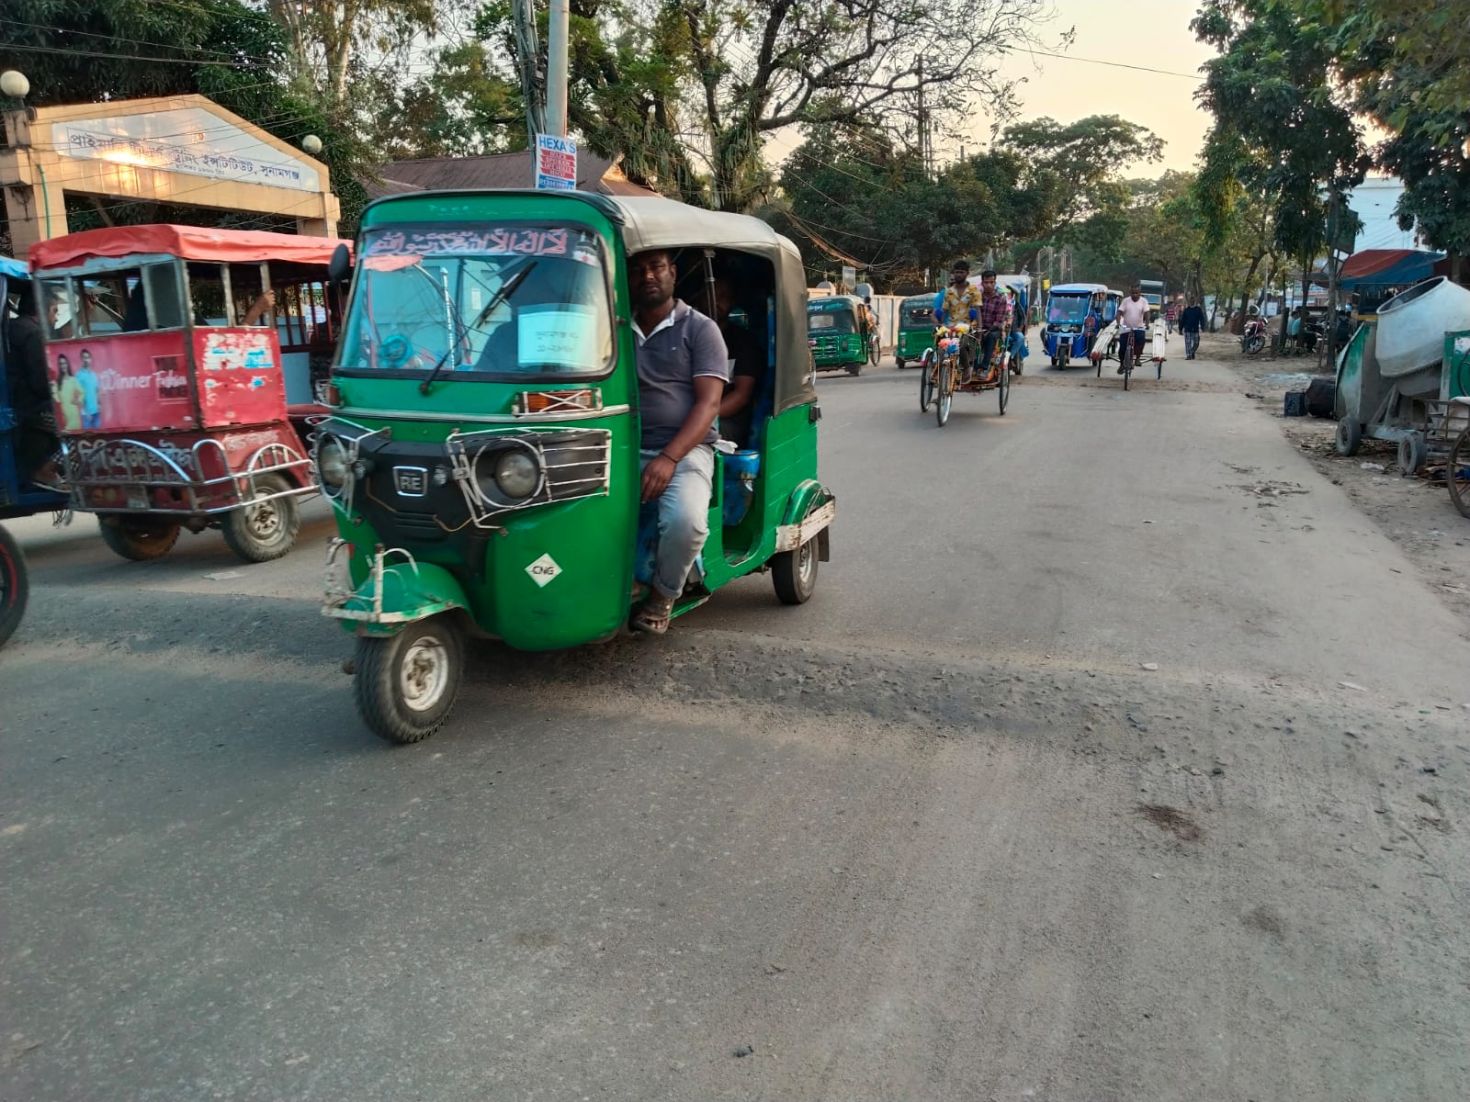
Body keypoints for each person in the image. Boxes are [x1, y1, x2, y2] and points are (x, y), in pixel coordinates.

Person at [628, 249, 729, 635]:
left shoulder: (700, 330)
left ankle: (662, 595)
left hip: (686, 450)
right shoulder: (616, 329)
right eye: (638, 270)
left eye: (655, 267)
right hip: (621, 449)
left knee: (686, 522)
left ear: (672, 273)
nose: (647, 276)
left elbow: (709, 405)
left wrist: (668, 458)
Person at [3, 282, 61, 485]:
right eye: (55, 311)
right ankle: (44, 468)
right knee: (74, 417)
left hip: (14, 399)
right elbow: (41, 383)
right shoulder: (34, 333)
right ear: (41, 309)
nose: (56, 317)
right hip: (28, 406)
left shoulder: (13, 327)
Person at [711, 273, 765, 449]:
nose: (716, 301)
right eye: (711, 294)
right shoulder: (688, 337)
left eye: (723, 297)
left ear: (732, 302)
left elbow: (741, 395)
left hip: (728, 420)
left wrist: (702, 418)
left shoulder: (742, 341)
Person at [976, 269, 1012, 378]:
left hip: (994, 329)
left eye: (991, 282)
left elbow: (999, 320)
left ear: (994, 283)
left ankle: (984, 367)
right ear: (982, 283)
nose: (988, 285)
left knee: (990, 337)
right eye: (986, 282)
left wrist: (987, 331)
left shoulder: (1001, 298)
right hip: (979, 328)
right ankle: (970, 366)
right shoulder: (978, 297)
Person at [1116, 284, 1150, 373]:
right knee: (1122, 347)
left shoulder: (1144, 301)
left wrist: (1147, 323)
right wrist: (1118, 323)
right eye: (1133, 293)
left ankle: (1137, 358)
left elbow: (1147, 313)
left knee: (1141, 341)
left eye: (1136, 293)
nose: (1134, 295)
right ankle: (1121, 364)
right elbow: (1119, 312)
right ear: (1130, 293)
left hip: (1138, 327)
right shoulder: (1125, 301)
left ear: (1140, 293)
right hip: (1126, 327)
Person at [76, 348, 101, 429]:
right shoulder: (78, 375)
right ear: (81, 359)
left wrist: (99, 405)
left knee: (99, 437)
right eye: (84, 357)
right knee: (88, 437)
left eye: (88, 357)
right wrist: (86, 412)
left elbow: (97, 391)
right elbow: (78, 395)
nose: (86, 359)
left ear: (91, 359)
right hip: (86, 414)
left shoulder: (94, 374)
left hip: (96, 412)